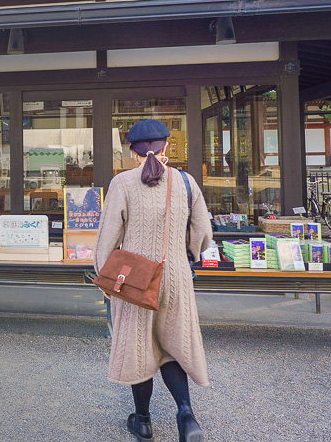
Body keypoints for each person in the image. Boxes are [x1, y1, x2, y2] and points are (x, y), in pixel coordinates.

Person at [95, 119, 213, 442]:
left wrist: (108, 280)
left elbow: (106, 243)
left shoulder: (122, 184)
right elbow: (203, 236)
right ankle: (186, 415)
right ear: (165, 148)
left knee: (140, 349)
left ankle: (143, 421)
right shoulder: (186, 182)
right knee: (172, 348)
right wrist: (184, 252)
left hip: (136, 282)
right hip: (176, 280)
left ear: (133, 153)